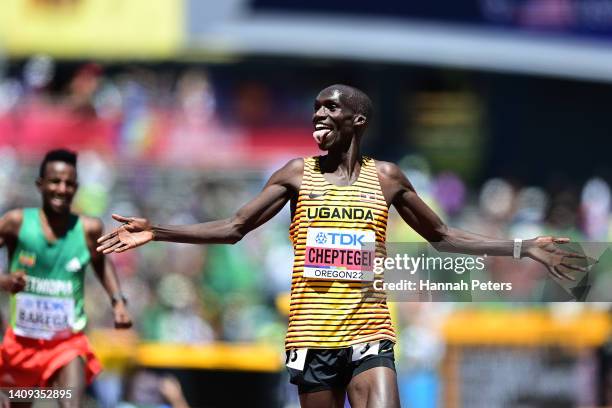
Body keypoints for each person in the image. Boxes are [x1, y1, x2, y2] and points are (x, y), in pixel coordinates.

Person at [97, 84, 585, 408]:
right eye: (316, 108)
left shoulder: (387, 178)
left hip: (369, 331)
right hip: (312, 337)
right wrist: (158, 231)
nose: (320, 114)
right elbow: (234, 226)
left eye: (331, 107)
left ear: (357, 121)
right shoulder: (295, 174)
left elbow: (443, 236)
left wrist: (523, 247)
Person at [0, 149, 132, 408]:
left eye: (69, 183)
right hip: (21, 345)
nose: (62, 189)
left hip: (66, 343)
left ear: (76, 188)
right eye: (55, 182)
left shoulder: (88, 229)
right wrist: (3, 282)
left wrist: (118, 302)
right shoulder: (16, 223)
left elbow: (101, 262)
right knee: (13, 403)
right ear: (40, 185)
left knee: (70, 403)